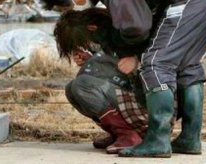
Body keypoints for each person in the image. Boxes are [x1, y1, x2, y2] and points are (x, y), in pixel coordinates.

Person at [40, 0, 206, 158]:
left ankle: (157, 140)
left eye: (67, 6)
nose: (72, 10)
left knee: (156, 64)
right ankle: (189, 138)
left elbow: (137, 26)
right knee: (187, 63)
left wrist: (136, 57)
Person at [54, 8, 147, 154]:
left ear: (92, 28)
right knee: (71, 89)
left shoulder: (124, 34)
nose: (86, 46)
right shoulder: (107, 38)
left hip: (150, 106)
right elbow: (117, 69)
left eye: (83, 42)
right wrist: (91, 60)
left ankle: (129, 135)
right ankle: (119, 133)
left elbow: (141, 67)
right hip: (134, 100)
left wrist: (135, 59)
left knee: (82, 85)